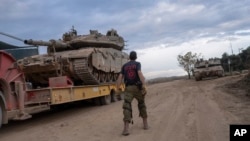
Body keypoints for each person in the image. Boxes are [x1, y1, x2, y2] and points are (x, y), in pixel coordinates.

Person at [116, 51, 148, 136]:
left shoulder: (124, 66)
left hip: (128, 88)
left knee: (127, 106)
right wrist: (144, 85)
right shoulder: (138, 64)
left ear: (129, 57)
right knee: (141, 104)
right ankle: (145, 125)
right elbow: (139, 73)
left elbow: (120, 77)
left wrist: (118, 89)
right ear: (136, 57)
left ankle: (126, 129)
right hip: (138, 88)